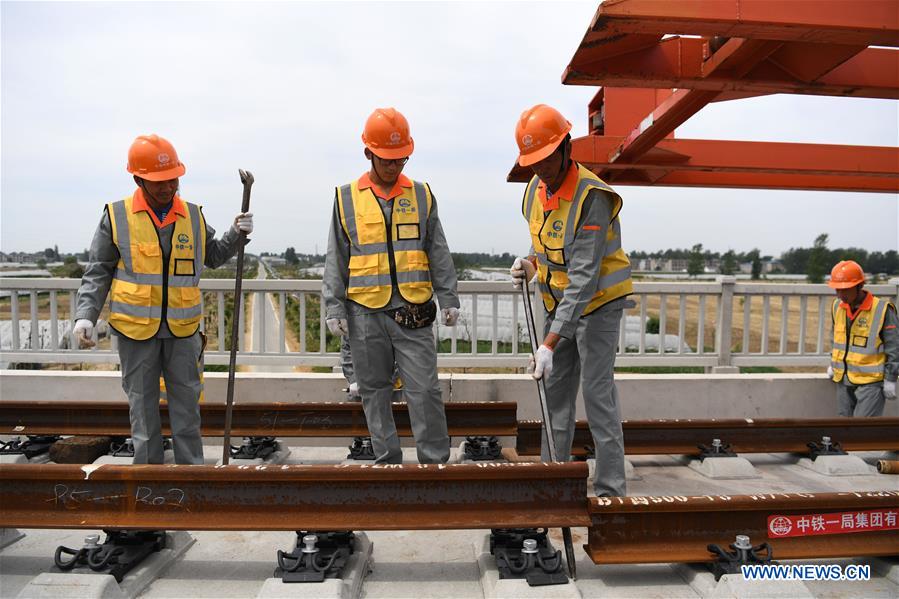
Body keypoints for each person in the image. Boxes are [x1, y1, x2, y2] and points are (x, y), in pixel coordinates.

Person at [73, 134, 253, 464]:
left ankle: (191, 479)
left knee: (187, 410)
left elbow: (212, 256)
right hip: (135, 333)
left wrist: (235, 234)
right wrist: (86, 313)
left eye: (172, 180)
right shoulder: (116, 216)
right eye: (158, 182)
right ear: (138, 178)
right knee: (143, 413)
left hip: (183, 331)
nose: (168, 188)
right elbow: (98, 270)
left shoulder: (193, 216)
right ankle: (149, 482)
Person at [323, 107, 460, 465]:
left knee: (425, 391)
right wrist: (333, 306)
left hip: (413, 312)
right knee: (373, 393)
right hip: (364, 314)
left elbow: (438, 250)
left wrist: (449, 296)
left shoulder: (421, 195)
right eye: (386, 159)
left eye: (401, 159)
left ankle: (435, 464)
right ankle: (387, 461)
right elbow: (336, 258)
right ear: (368, 152)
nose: (394, 166)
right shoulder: (346, 198)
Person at [509, 104, 632, 497]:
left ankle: (611, 489)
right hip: (556, 304)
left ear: (566, 146)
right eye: (533, 161)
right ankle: (553, 480)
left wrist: (549, 342)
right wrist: (529, 263)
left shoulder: (592, 196)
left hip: (597, 306)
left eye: (546, 158)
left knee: (598, 395)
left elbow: (583, 276)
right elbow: (544, 243)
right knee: (555, 396)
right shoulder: (534, 189)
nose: (540, 168)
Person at [826, 260, 898, 417]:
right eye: (838, 289)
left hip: (870, 383)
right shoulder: (837, 306)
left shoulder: (882, 310)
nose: (841, 294)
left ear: (859, 286)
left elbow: (894, 347)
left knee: (862, 430)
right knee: (844, 429)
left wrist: (891, 378)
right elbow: (835, 338)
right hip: (843, 379)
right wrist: (834, 363)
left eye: (846, 289)